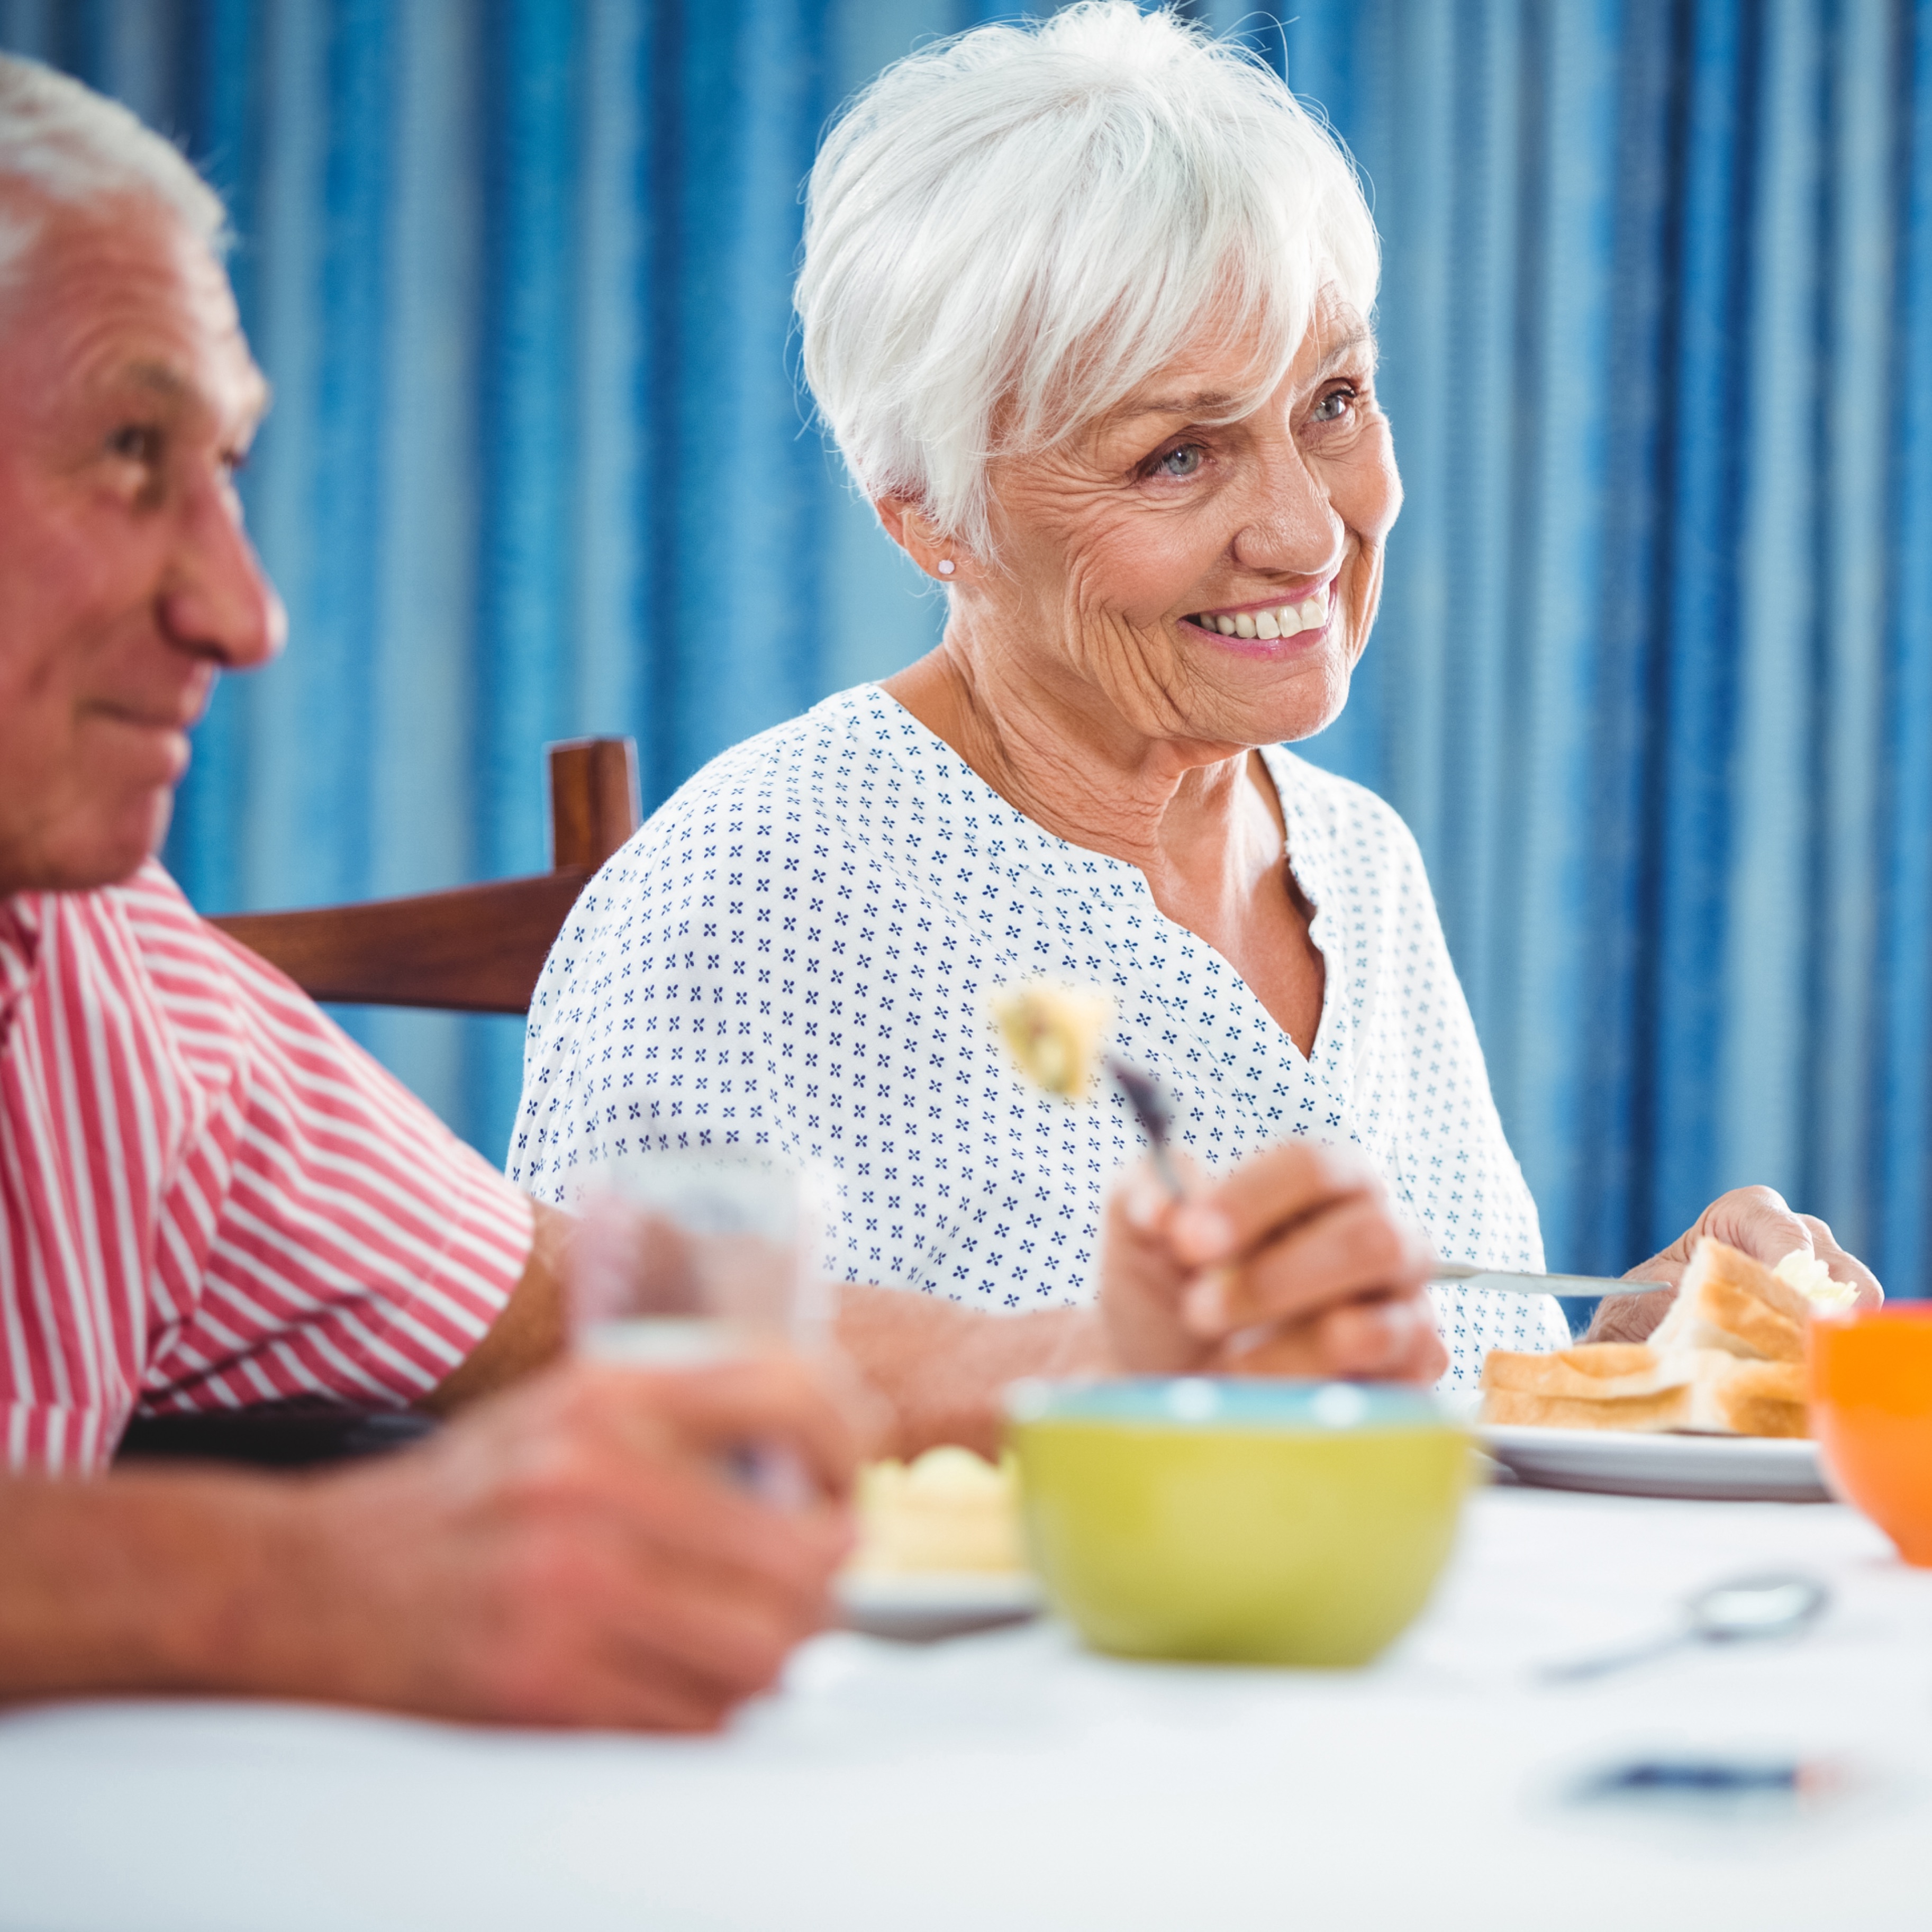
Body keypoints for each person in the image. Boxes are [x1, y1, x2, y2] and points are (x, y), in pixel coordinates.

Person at [512, 3, 1880, 1449]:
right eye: (1175, 455)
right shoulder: (756, 894)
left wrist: (1635, 1368)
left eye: (1333, 401)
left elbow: (1410, 1426)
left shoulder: (1358, 860)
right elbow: (604, 1443)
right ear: (928, 517)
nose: (1306, 533)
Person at [0, 54, 857, 1731]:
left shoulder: (112, 982)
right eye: (126, 449)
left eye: (224, 465)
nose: (246, 615)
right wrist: (288, 1580)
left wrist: (1106, 1354)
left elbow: (563, 1305)